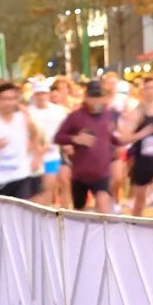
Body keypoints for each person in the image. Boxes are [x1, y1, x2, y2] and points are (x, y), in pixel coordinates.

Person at [55, 80, 120, 212]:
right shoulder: (75, 117)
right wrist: (75, 139)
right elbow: (58, 137)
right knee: (80, 210)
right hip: (80, 173)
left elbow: (117, 138)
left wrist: (116, 152)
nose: (96, 101)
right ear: (86, 97)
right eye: (92, 97)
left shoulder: (111, 115)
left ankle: (104, 231)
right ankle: (83, 232)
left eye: (99, 97)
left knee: (103, 205)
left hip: (102, 172)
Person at [120, 76, 153, 217]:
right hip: (143, 162)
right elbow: (123, 138)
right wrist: (141, 134)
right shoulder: (137, 113)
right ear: (143, 91)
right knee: (139, 201)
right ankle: (135, 227)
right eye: (149, 88)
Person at [26, 79, 67, 203]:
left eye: (44, 93)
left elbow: (64, 131)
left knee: (49, 187)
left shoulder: (59, 111)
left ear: (48, 94)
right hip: (32, 157)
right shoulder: (28, 112)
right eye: (38, 94)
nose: (41, 96)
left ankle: (47, 215)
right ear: (34, 95)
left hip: (51, 155)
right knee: (36, 193)